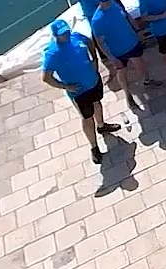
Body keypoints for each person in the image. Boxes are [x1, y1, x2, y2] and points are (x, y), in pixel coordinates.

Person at [40, 18, 120, 165]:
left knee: (97, 103)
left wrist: (94, 60)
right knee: (87, 118)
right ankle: (94, 147)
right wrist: (65, 86)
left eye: (66, 31)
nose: (66, 35)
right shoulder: (52, 54)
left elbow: (89, 41)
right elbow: (46, 77)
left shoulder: (76, 37)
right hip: (78, 92)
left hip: (93, 81)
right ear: (56, 36)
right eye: (62, 34)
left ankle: (102, 126)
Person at [87, 0, 148, 108]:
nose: (108, 1)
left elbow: (127, 15)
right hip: (118, 52)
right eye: (105, 0)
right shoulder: (97, 20)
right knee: (122, 72)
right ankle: (128, 94)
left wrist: (137, 29)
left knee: (140, 64)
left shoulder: (116, 3)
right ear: (98, 1)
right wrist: (111, 58)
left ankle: (147, 80)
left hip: (132, 42)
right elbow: (100, 42)